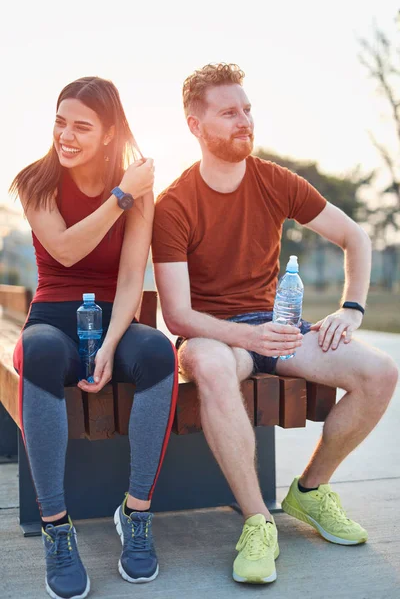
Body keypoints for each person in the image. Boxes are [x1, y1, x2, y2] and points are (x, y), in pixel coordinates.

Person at [152, 63, 399, 585]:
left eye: (246, 109)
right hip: (217, 335)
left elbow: (356, 238)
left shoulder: (275, 180)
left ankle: (309, 492)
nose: (244, 120)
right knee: (211, 363)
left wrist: (350, 310)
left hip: (277, 326)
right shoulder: (174, 205)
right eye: (228, 112)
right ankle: (258, 521)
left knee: (381, 373)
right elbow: (177, 315)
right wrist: (246, 335)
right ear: (195, 126)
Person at [10, 76, 178, 599]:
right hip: (53, 319)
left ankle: (136, 514)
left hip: (115, 317)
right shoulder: (35, 181)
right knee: (36, 353)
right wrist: (122, 196)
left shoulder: (139, 189)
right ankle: (57, 528)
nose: (67, 135)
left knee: (158, 353)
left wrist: (108, 347)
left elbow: (131, 279)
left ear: (110, 133)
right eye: (61, 121)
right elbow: (64, 250)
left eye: (82, 126)